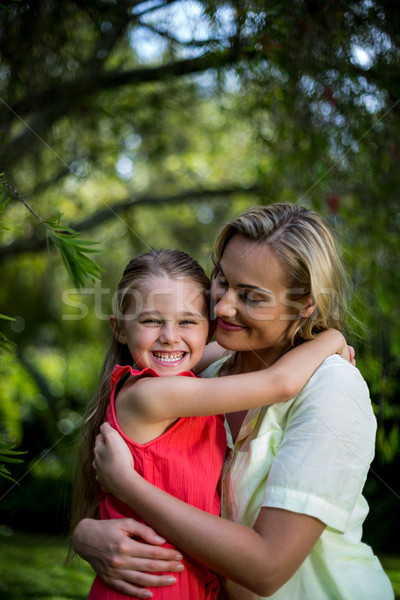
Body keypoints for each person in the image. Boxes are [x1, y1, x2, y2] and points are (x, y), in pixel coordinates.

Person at [75, 204, 394, 600]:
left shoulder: (330, 388)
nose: (222, 307)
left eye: (252, 297)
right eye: (222, 281)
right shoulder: (203, 375)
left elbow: (266, 569)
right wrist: (87, 534)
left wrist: (127, 485)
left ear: (305, 304)